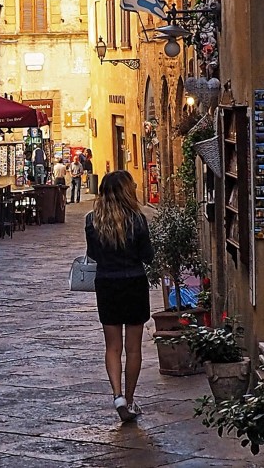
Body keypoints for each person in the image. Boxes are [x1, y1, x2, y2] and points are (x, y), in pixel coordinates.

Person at [85, 170, 154, 423]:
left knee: (112, 346)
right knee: (133, 348)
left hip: (107, 284)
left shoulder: (92, 220)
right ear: (126, 190)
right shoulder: (137, 220)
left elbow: (92, 254)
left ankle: (117, 397)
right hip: (134, 282)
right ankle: (130, 397)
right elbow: (148, 256)